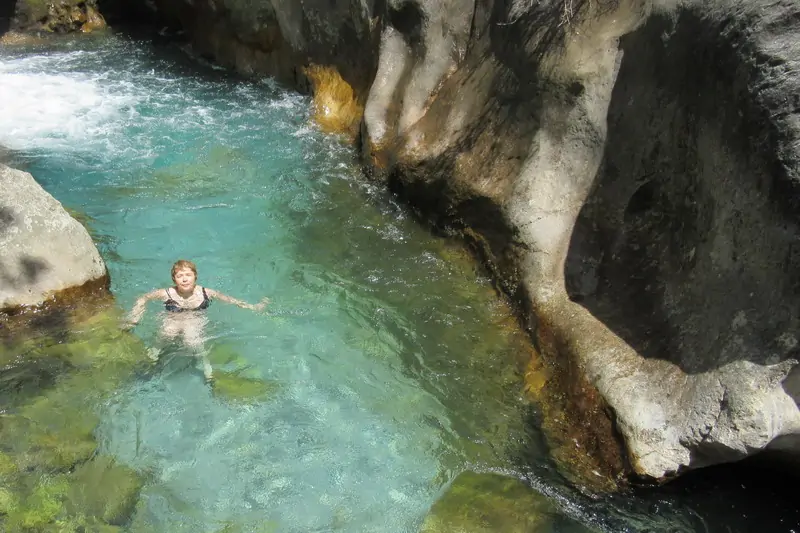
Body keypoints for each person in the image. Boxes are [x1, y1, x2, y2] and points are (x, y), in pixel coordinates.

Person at [126, 259, 269, 383]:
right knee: (167, 332)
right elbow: (143, 298)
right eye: (179, 276)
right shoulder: (167, 293)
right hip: (173, 318)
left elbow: (231, 300)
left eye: (188, 275)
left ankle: (206, 366)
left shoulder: (207, 293)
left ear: (195, 276)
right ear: (174, 279)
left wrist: (253, 307)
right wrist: (135, 315)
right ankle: (153, 355)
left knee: (192, 341)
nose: (184, 279)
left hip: (194, 320)